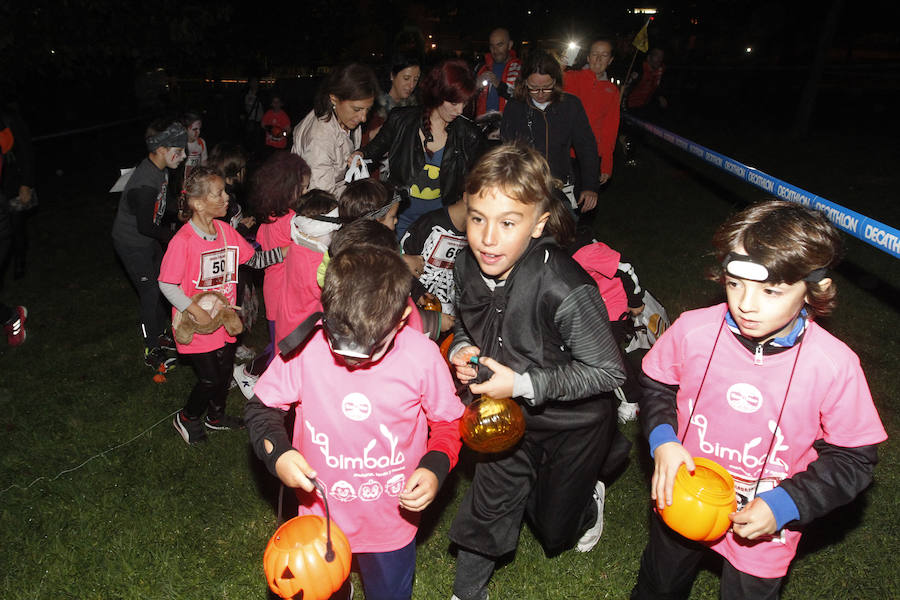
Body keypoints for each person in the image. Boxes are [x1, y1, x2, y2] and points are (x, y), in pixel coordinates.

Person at [631, 200, 887, 599]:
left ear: (812, 289)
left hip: (766, 524)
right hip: (684, 496)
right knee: (659, 585)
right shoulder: (693, 330)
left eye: (771, 290)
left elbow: (854, 457)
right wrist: (662, 439)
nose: (746, 304)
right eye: (735, 284)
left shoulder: (834, 366)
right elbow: (656, 382)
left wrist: (786, 503)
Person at [447, 144, 626, 600]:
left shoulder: (565, 285)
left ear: (538, 224)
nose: (488, 238)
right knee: (488, 506)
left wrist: (524, 383)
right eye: (477, 218)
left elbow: (608, 372)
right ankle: (467, 594)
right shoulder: (466, 263)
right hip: (504, 414)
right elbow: (468, 320)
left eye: (508, 223)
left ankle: (590, 491)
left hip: (574, 422)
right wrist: (464, 348)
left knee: (552, 529)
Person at [245, 244, 465, 600]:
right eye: (340, 343)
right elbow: (261, 409)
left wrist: (436, 465)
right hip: (321, 518)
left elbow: (449, 423)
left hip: (392, 521)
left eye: (369, 349)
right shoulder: (306, 350)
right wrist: (279, 455)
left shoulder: (422, 357)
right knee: (323, 589)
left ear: (399, 322)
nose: (352, 361)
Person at [159, 167, 286, 444]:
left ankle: (215, 417)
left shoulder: (226, 232)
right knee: (210, 379)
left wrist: (288, 251)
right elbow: (167, 284)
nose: (227, 197)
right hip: (197, 324)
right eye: (219, 193)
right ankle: (187, 417)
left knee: (225, 372)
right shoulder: (183, 242)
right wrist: (197, 311)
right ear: (198, 203)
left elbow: (255, 260)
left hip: (226, 320)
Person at [357, 59, 485, 238]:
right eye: (454, 102)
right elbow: (373, 151)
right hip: (400, 218)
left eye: (464, 103)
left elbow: (479, 180)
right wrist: (359, 154)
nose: (459, 110)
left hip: (442, 224)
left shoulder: (469, 134)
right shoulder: (401, 120)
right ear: (437, 93)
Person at [233, 152, 311, 397]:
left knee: (284, 342)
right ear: (289, 188)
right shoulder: (291, 220)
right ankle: (259, 381)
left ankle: (250, 372)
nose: (306, 193)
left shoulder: (267, 216)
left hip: (274, 287)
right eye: (304, 187)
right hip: (286, 290)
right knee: (284, 347)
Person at [111, 120, 187, 372]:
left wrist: (182, 211)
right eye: (180, 149)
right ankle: (151, 347)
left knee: (161, 285)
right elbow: (145, 225)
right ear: (163, 148)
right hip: (132, 242)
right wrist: (174, 237)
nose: (184, 155)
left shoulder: (160, 169)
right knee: (150, 292)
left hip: (148, 239)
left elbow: (162, 205)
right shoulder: (144, 184)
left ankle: (160, 332)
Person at [500, 50, 599, 216]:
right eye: (533, 88)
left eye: (546, 87)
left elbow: (587, 147)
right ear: (524, 83)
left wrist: (590, 186)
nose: (540, 94)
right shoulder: (515, 107)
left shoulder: (571, 105)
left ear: (556, 81)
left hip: (562, 188)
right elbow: (506, 152)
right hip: (523, 189)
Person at [292, 64, 379, 197]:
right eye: (357, 109)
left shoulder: (346, 120)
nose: (363, 118)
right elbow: (321, 200)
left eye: (368, 109)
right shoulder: (320, 138)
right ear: (334, 99)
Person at [563, 37, 620, 189]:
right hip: (565, 153)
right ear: (588, 57)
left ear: (611, 60)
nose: (599, 59)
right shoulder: (570, 77)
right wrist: (560, 66)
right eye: (595, 54)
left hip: (592, 156)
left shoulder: (612, 91)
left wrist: (607, 164)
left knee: (587, 204)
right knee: (562, 204)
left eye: (605, 55)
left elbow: (610, 129)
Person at [399, 193, 467, 317]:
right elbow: (398, 265)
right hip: (413, 310)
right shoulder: (430, 223)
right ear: (467, 196)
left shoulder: (478, 235)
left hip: (450, 316)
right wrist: (417, 292)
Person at [0, 102, 30, 344]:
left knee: (17, 228)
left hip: (7, 195)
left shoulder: (7, 120)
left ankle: (12, 318)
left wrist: (26, 183)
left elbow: (23, 150)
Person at [474, 28, 521, 118]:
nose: (495, 50)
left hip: (509, 127)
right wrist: (475, 87)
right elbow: (467, 99)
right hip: (482, 126)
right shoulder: (481, 68)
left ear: (510, 45)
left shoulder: (520, 68)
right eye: (492, 46)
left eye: (500, 45)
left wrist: (499, 85)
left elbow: (523, 99)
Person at [181, 111, 208, 181]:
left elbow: (204, 164)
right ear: (185, 129)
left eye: (199, 129)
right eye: (194, 129)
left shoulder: (201, 142)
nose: (198, 132)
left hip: (196, 182)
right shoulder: (180, 144)